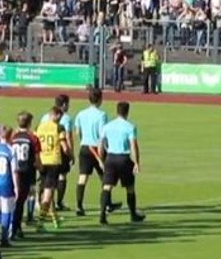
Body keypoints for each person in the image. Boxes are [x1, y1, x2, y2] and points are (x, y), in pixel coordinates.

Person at [97, 102, 146, 225]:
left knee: (107, 186)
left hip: (111, 158)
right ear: (127, 112)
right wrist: (137, 162)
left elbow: (100, 145)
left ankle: (102, 215)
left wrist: (101, 159)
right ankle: (133, 215)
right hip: (124, 159)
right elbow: (133, 145)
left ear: (117, 111)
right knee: (130, 188)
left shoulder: (107, 126)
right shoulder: (130, 127)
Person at [72, 88, 114, 217]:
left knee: (83, 177)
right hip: (98, 148)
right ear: (100, 99)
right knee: (105, 177)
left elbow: (78, 132)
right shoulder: (102, 115)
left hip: (85, 147)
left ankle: (79, 206)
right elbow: (103, 134)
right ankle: (107, 204)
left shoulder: (80, 113)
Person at [35, 108, 70, 229]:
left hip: (41, 161)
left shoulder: (39, 127)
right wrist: (70, 156)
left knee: (49, 192)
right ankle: (40, 222)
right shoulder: (59, 127)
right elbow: (64, 147)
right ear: (55, 115)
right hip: (53, 162)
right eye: (59, 115)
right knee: (48, 194)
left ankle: (55, 219)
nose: (60, 118)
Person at [7, 115, 40, 240]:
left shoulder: (13, 137)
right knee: (21, 201)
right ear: (29, 123)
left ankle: (14, 226)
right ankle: (16, 227)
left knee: (14, 200)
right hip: (27, 172)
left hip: (13, 171)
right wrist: (41, 168)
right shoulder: (32, 138)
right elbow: (37, 158)